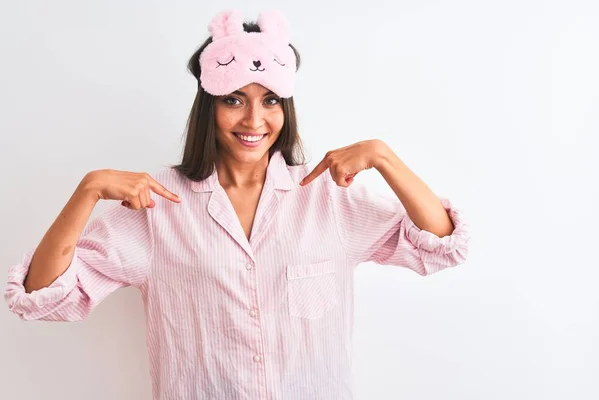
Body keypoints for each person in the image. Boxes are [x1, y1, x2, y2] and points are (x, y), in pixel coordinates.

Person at [4, 9, 470, 400]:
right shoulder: (157, 207)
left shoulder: (327, 197)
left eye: (270, 100)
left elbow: (442, 246)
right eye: (233, 99)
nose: (254, 119)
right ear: (210, 107)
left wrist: (385, 157)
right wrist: (88, 190)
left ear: (285, 108)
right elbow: (41, 297)